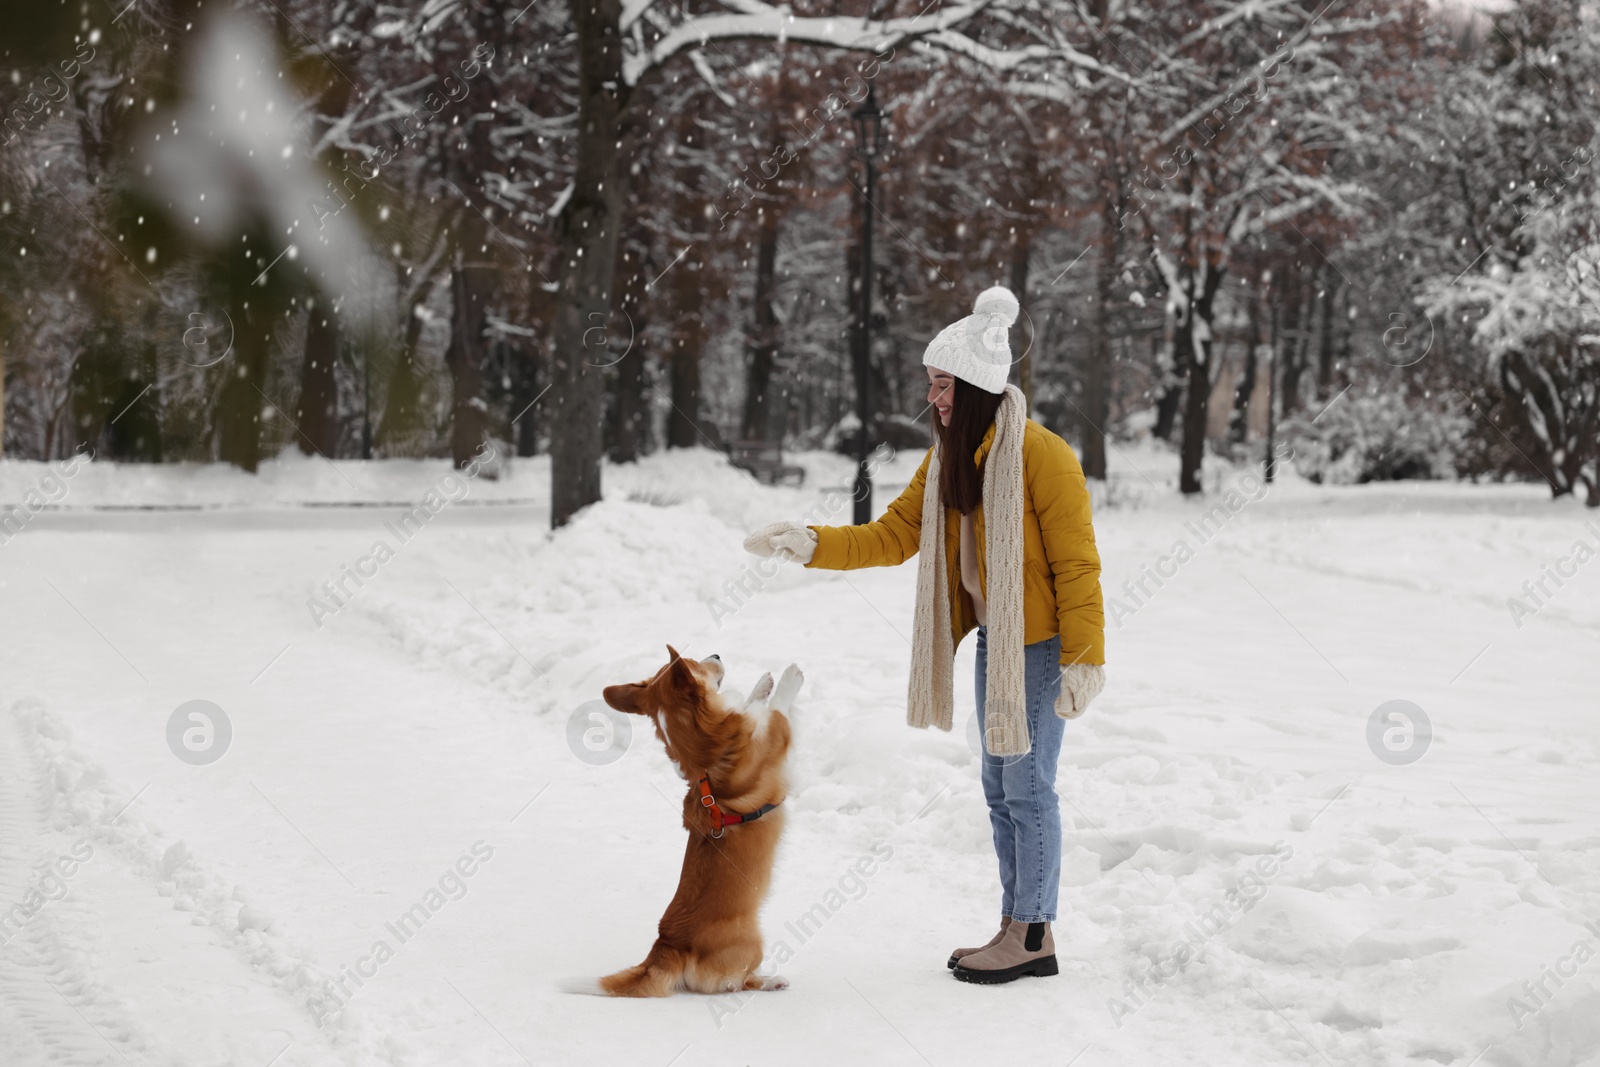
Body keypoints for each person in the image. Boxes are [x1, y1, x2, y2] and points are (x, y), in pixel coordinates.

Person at [743, 285, 1105, 985]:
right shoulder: (948, 461)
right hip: (996, 645)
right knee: (1001, 784)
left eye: (943, 386)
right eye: (932, 385)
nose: (933, 399)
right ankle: (1016, 920)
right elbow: (892, 535)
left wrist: (1084, 660)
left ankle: (1034, 933)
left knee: (1029, 786)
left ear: (973, 385)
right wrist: (809, 542)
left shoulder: (1043, 456)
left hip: (1038, 648)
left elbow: (1077, 565)